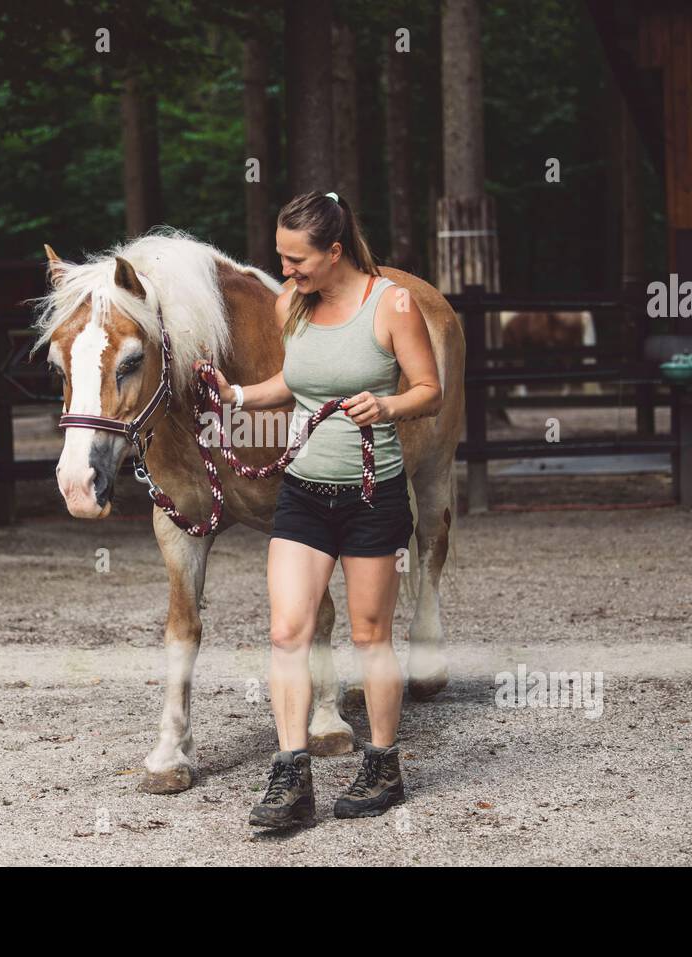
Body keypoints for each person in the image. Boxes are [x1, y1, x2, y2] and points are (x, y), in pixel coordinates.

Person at [195, 191, 443, 828]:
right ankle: (290, 774)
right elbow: (297, 383)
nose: (286, 272)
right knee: (286, 632)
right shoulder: (290, 306)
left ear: (335, 252)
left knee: (369, 637)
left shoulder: (390, 305)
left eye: (297, 259)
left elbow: (430, 392)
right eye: (281, 257)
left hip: (373, 495)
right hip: (304, 493)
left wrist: (387, 408)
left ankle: (383, 764)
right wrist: (238, 394)